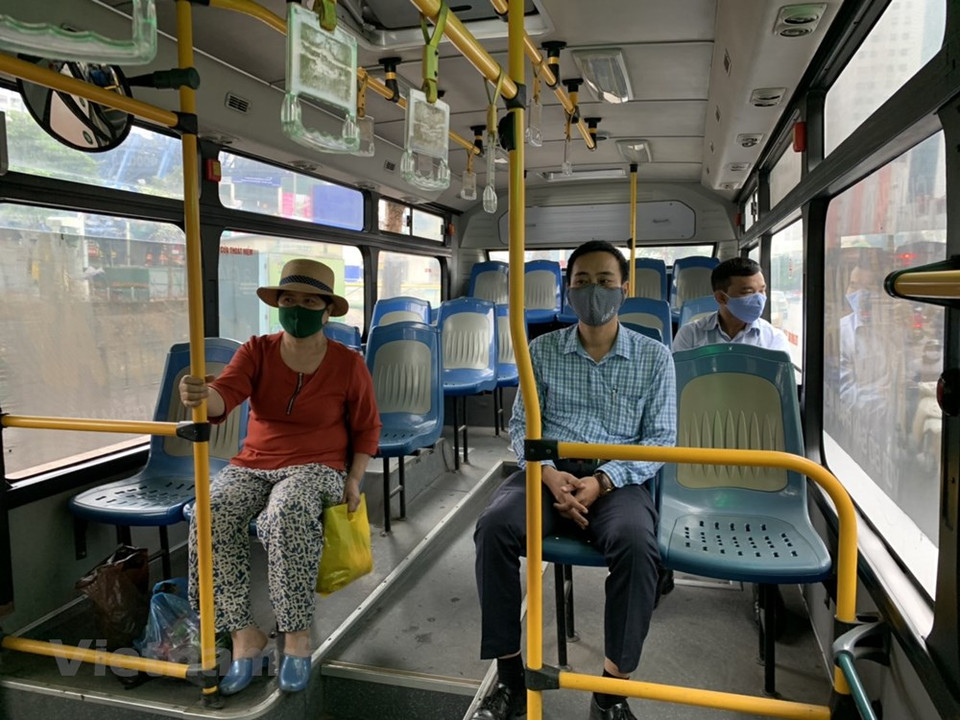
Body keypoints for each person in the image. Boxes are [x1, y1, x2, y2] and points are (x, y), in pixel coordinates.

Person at [472, 240, 676, 720]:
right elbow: (522, 427)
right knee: (494, 527)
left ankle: (611, 691)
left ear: (624, 289)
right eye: (582, 281)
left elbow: (661, 439)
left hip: (617, 477)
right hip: (548, 470)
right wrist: (549, 475)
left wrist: (602, 480)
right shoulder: (541, 351)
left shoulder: (654, 357)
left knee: (636, 544)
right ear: (568, 290)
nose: (593, 291)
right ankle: (510, 678)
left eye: (605, 281)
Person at [180, 259, 381, 696]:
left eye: (309, 301)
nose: (296, 308)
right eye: (288, 300)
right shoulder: (257, 351)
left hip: (319, 465)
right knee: (208, 511)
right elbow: (223, 397)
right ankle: (242, 634)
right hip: (254, 461)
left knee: (287, 512)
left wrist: (354, 478)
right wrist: (202, 395)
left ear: (326, 310)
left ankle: (295, 637)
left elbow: (367, 428)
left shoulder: (348, 364)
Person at [672, 257, 790, 353]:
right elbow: (681, 379)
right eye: (748, 292)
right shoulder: (690, 335)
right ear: (721, 297)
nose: (759, 299)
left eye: (761, 291)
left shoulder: (773, 338)